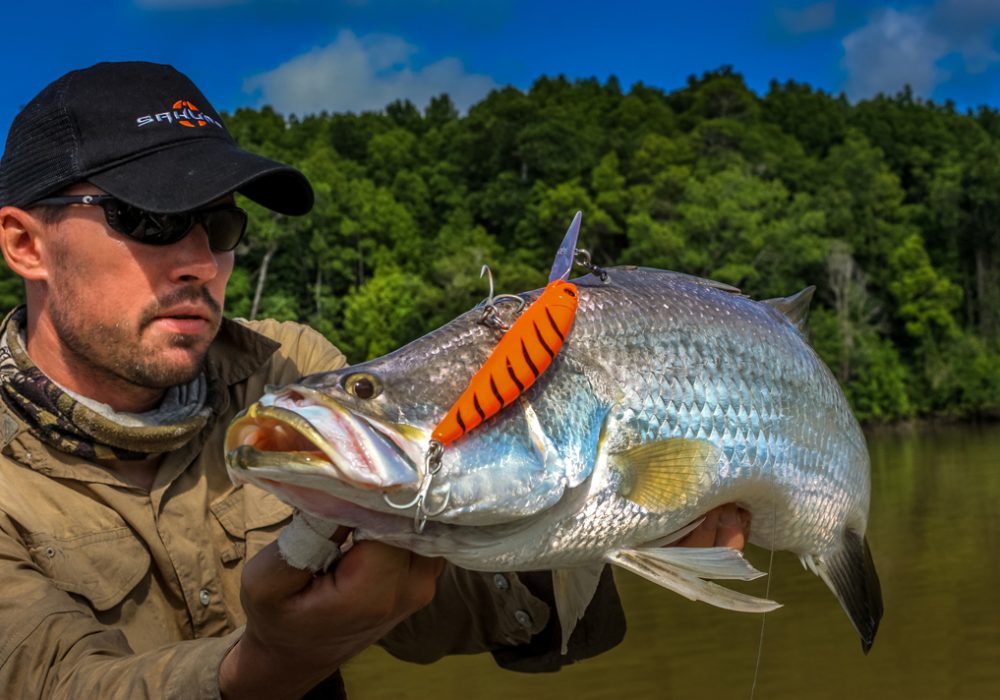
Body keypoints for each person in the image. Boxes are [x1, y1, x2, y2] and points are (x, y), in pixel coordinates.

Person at [0, 61, 750, 698]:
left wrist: (607, 523)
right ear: (24, 243)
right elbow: (52, 678)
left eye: (222, 227)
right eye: (152, 219)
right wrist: (272, 663)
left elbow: (436, 596)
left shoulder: (290, 370)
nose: (201, 261)